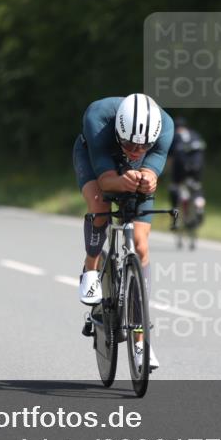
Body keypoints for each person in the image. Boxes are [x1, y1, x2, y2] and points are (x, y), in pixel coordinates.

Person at [73, 93, 173, 369]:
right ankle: (91, 268)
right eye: (129, 144)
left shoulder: (165, 126)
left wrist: (149, 178)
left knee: (140, 245)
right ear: (119, 131)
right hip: (95, 155)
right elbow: (106, 181)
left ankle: (141, 341)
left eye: (143, 146)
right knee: (99, 203)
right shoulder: (98, 118)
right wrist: (119, 179)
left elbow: (153, 170)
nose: (134, 151)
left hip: (134, 173)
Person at [167, 117, 207, 228]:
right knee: (197, 187)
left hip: (181, 164)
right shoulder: (195, 135)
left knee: (175, 187)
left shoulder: (175, 137)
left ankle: (175, 218)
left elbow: (171, 158)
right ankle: (199, 207)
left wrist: (169, 173)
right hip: (197, 164)